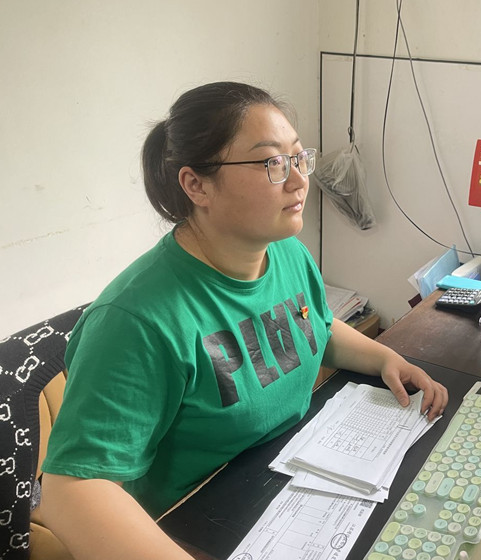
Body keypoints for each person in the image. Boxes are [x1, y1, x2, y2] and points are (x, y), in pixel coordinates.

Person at [39, 81, 448, 560]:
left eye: (298, 158)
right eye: (272, 163)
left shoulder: (287, 253)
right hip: (190, 527)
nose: (298, 181)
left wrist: (384, 358)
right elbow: (73, 491)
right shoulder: (136, 320)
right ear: (196, 185)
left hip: (285, 481)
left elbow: (313, 327)